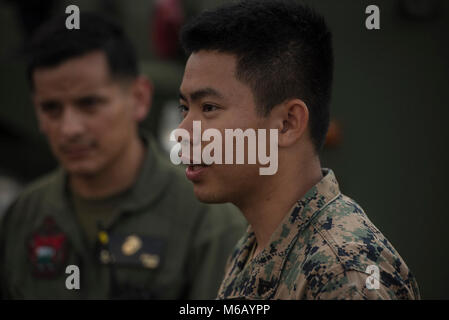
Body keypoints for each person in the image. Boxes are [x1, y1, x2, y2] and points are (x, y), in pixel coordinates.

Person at [176, 0, 420, 299]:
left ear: (288, 123)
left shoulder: (345, 275)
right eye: (184, 108)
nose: (183, 131)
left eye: (209, 108)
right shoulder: (255, 245)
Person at [0, 13, 246, 299]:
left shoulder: (208, 223)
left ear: (139, 98)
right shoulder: (24, 216)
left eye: (89, 104)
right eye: (51, 109)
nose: (69, 129)